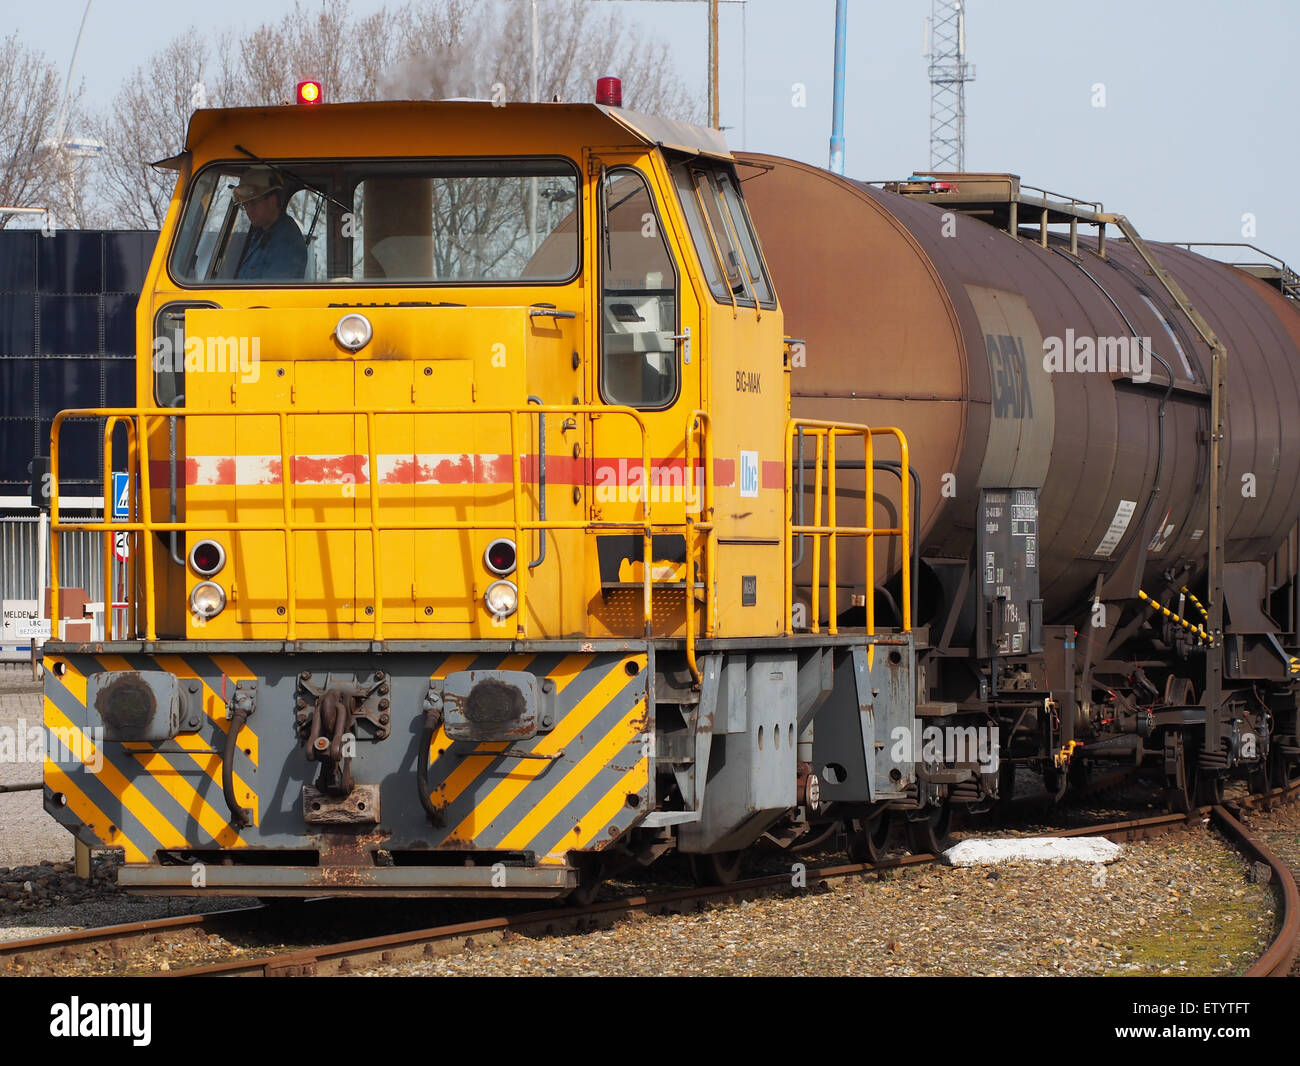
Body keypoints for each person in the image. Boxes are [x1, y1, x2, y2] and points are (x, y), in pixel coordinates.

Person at [231, 167, 308, 281]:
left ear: (272, 200)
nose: (248, 210)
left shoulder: (286, 242)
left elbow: (271, 295)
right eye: (245, 204)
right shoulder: (260, 234)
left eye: (253, 203)